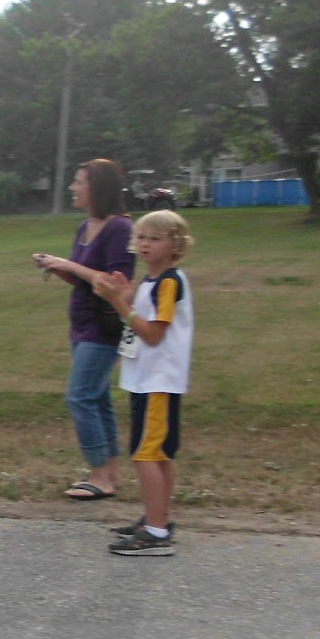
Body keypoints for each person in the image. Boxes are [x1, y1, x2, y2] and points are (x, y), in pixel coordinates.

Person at [92, 211, 196, 557]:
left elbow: (152, 334)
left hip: (159, 381)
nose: (145, 244)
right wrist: (127, 295)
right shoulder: (152, 281)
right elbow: (144, 317)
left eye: (155, 238)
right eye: (141, 238)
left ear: (175, 244)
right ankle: (157, 519)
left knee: (146, 454)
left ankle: (156, 532)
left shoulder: (169, 282)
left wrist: (118, 303)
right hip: (145, 380)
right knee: (158, 453)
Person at [32, 159, 134, 501]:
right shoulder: (84, 226)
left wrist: (69, 263)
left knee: (80, 396)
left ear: (97, 188)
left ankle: (99, 476)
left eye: (79, 182)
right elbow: (84, 279)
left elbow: (116, 285)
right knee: (98, 398)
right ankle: (110, 474)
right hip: (81, 323)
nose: (73, 188)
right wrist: (57, 267)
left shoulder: (119, 228)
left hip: (104, 327)